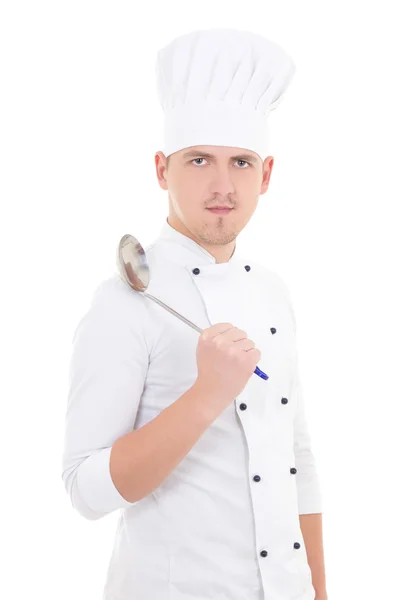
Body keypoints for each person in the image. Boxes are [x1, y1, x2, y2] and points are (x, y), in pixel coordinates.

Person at [61, 27, 328, 600]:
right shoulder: (125, 300)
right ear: (162, 170)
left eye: (241, 162)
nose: (222, 185)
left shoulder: (275, 293)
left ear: (267, 175)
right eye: (199, 159)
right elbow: (84, 489)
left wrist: (318, 591)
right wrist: (206, 394)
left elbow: (296, 461)